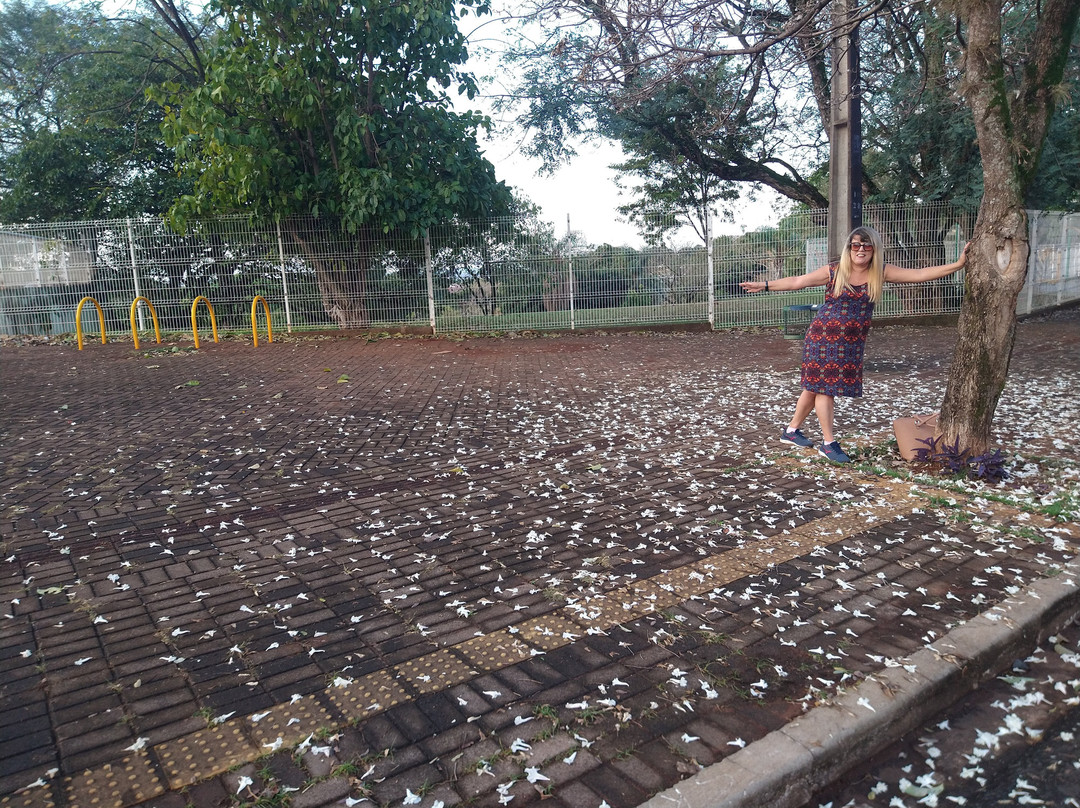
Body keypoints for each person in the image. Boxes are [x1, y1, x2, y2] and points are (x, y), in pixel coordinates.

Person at [739, 226, 968, 464]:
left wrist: (958, 264)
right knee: (825, 388)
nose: (861, 250)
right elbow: (799, 281)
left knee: (814, 387)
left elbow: (920, 274)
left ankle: (791, 431)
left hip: (850, 342)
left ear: (874, 249)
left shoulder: (880, 272)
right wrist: (764, 285)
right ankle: (829, 444)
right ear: (849, 248)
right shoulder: (835, 271)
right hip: (823, 336)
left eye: (867, 245)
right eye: (856, 245)